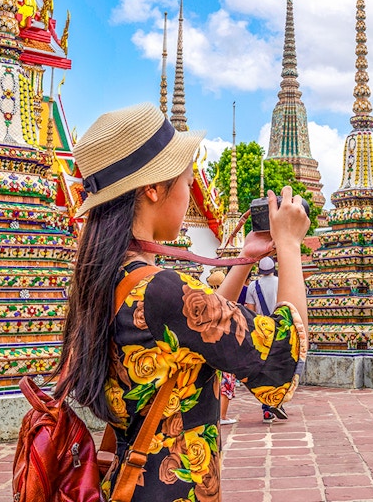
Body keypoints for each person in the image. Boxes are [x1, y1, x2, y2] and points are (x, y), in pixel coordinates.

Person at [55, 103, 309, 502]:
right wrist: (290, 247)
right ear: (153, 189)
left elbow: (192, 334)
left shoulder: (105, 279)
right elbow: (280, 355)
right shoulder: (161, 290)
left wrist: (242, 261)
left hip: (126, 482)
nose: (191, 190)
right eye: (187, 179)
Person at [246, 257, 286, 424]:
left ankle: (266, 408)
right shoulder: (281, 283)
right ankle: (278, 401)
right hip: (281, 329)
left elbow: (250, 311)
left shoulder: (253, 286)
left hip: (262, 331)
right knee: (281, 367)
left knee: (264, 368)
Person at [204, 270, 238, 427]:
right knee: (226, 383)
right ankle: (222, 415)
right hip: (226, 347)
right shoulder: (226, 302)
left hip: (210, 348)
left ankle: (217, 414)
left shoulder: (205, 299)